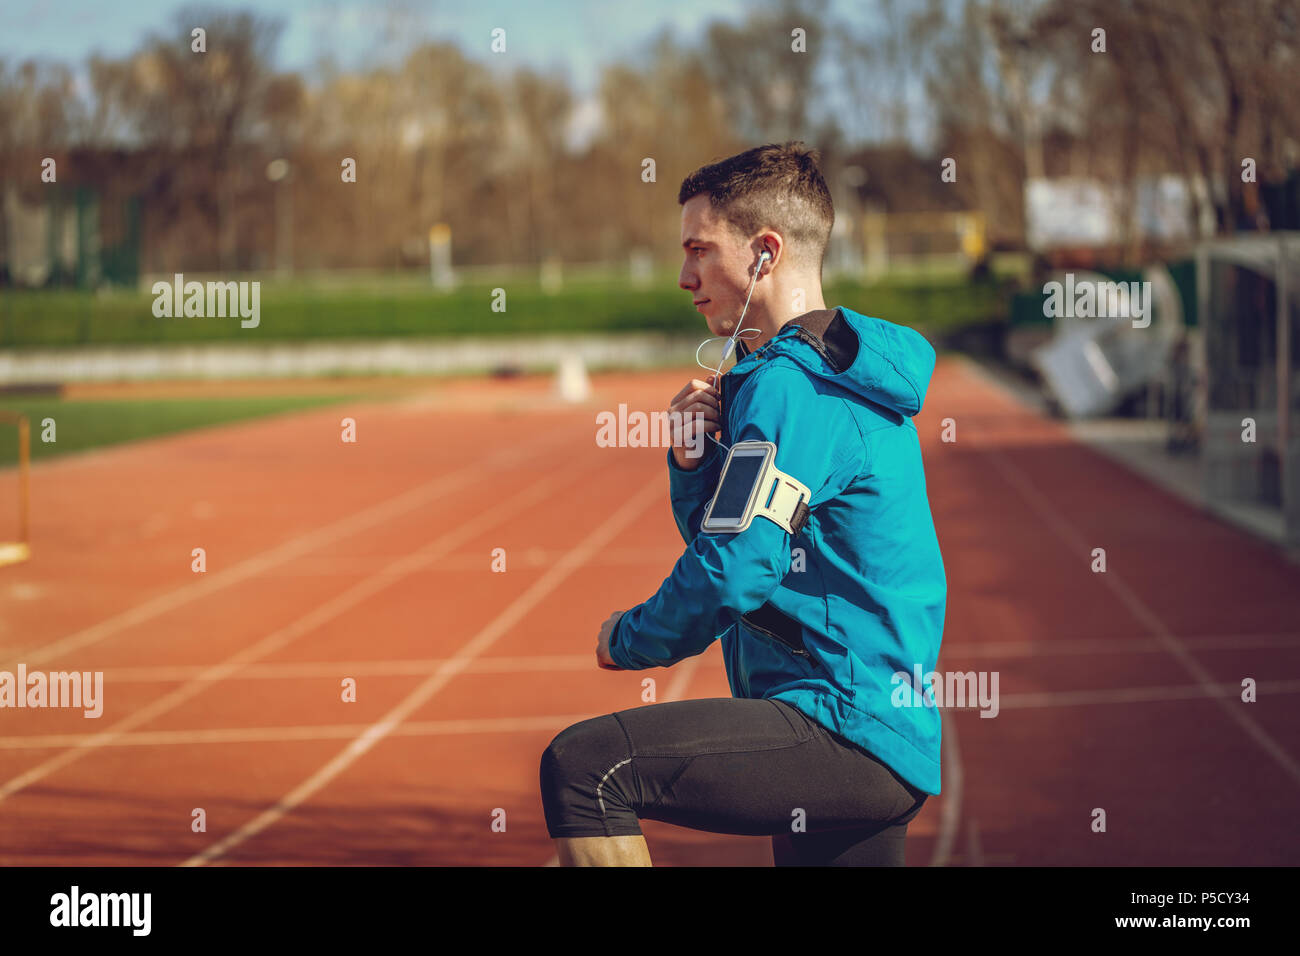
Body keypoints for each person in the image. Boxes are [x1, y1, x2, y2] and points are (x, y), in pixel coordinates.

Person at [539, 142, 947, 866]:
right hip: (869, 731)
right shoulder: (830, 375)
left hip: (841, 723)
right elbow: (735, 543)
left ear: (765, 253)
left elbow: (733, 570)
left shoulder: (791, 386)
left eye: (700, 250)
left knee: (586, 769)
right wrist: (693, 465)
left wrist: (630, 639)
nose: (684, 277)